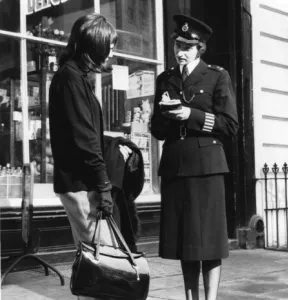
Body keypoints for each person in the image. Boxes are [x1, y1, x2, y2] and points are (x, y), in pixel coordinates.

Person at [150, 14, 239, 300]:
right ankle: (192, 298)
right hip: (176, 166)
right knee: (185, 243)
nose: (180, 51)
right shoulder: (166, 79)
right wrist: (166, 114)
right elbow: (156, 129)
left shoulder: (217, 76)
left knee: (209, 242)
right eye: (178, 44)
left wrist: (192, 115)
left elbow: (230, 125)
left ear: (199, 48)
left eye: (187, 46)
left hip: (207, 167)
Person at [49, 13, 133, 300]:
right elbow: (84, 140)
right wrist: (104, 186)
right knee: (104, 265)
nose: (111, 52)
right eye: (107, 45)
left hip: (79, 182)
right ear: (93, 45)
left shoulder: (73, 77)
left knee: (93, 263)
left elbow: (84, 134)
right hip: (82, 185)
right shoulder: (71, 79)